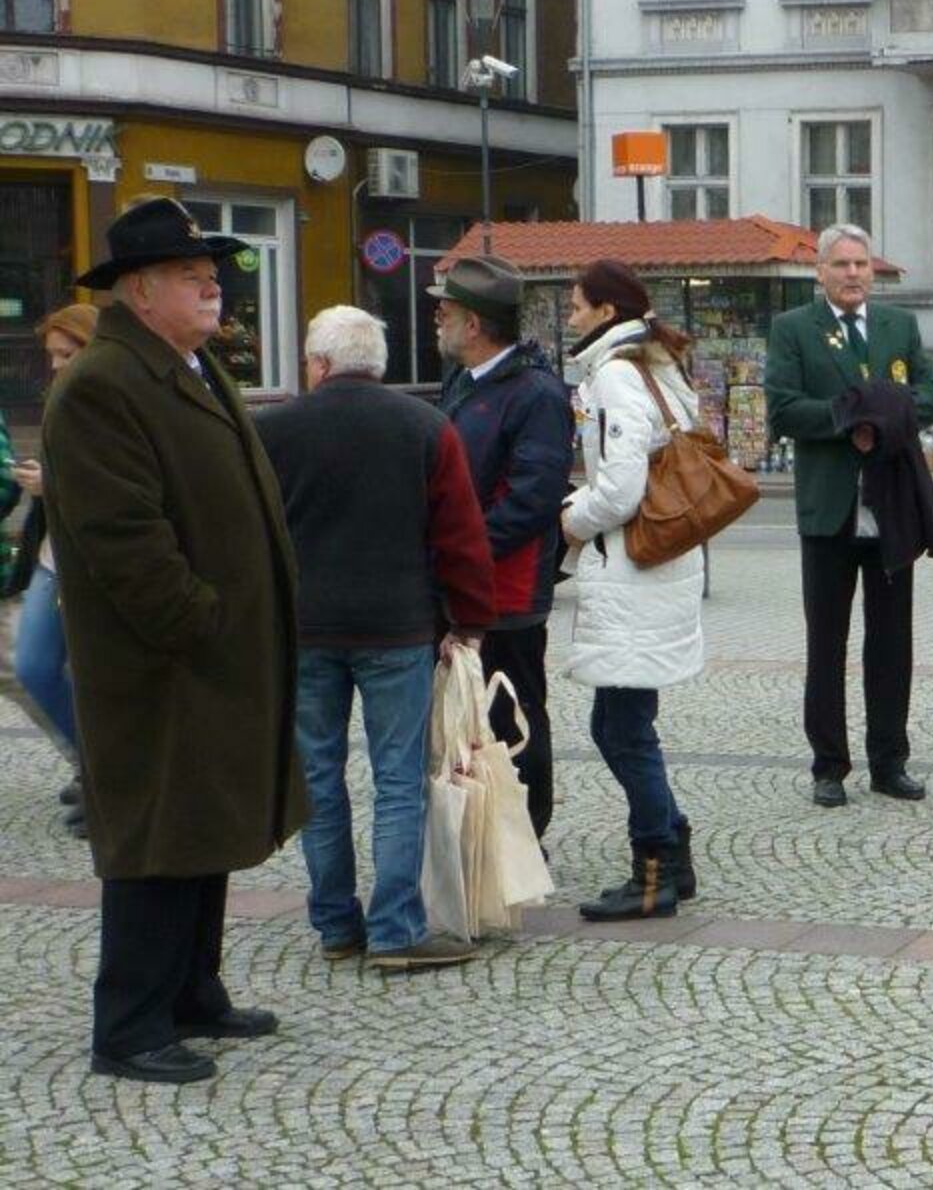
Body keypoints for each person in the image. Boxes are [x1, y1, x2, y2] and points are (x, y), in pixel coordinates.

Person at [43, 196, 304, 1084]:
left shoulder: (184, 364)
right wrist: (198, 619)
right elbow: (123, 538)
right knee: (157, 839)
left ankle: (194, 990)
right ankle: (129, 1025)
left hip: (216, 656)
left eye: (213, 277)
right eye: (194, 278)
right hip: (161, 664)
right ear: (139, 289)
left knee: (207, 827)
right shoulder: (103, 384)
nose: (213, 289)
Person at [255, 306, 496, 971]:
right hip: (397, 628)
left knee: (319, 778)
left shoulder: (271, 429)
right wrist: (469, 620)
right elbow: (460, 537)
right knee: (399, 781)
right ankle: (394, 929)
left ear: (318, 363)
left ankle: (336, 924)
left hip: (306, 630)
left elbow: (250, 533)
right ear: (378, 363)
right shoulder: (425, 427)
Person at [766, 223, 933, 808]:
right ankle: (829, 765)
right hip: (830, 512)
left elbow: (931, 392)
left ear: (873, 271)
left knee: (892, 643)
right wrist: (852, 418)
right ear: (820, 273)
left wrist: (884, 417)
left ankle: (889, 761)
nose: (852, 275)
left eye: (861, 264)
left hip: (892, 507)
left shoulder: (900, 327)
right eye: (841, 265)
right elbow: (784, 408)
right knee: (828, 643)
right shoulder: (794, 329)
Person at [557, 261, 706, 919]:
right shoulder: (658, 369)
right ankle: (673, 847)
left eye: (578, 304)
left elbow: (619, 491)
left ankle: (655, 872)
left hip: (633, 572)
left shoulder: (617, 377)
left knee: (620, 729)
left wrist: (569, 518)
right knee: (627, 722)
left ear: (608, 312)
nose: (570, 314)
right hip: (662, 568)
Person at [429, 256, 574, 842]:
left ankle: (526, 834)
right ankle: (480, 830)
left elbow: (532, 497)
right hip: (462, 580)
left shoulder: (536, 393)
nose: (436, 319)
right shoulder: (464, 382)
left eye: (446, 310)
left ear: (474, 324)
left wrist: (466, 552)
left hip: (507, 588)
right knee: (467, 713)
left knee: (512, 712)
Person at [4, 304, 87, 834]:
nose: (56, 365)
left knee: (44, 667)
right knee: (33, 664)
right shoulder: (60, 399)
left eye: (66, 353)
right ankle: (94, 763)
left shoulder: (116, 400)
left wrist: (50, 485)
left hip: (94, 561)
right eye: (52, 355)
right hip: (51, 555)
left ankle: (105, 774)